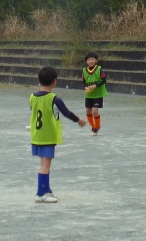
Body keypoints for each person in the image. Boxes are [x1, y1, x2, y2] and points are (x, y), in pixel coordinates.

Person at [30, 65, 86, 203]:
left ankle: (47, 189)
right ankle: (40, 194)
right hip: (47, 136)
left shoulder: (32, 97)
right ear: (55, 81)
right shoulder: (54, 99)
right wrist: (79, 120)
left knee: (45, 163)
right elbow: (66, 113)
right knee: (45, 165)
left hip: (36, 135)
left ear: (39, 80)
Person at [82, 52, 108, 136]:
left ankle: (96, 128)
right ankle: (94, 126)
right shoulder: (84, 70)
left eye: (92, 59)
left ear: (96, 60)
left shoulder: (99, 69)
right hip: (88, 95)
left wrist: (95, 86)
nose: (91, 61)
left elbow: (104, 80)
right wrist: (86, 87)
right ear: (86, 61)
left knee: (94, 112)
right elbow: (83, 81)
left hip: (97, 94)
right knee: (88, 113)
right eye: (89, 60)